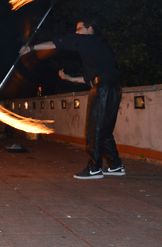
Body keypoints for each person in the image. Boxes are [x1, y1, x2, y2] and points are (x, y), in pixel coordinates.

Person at [19, 19, 125, 179]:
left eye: (79, 29)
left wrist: (31, 48)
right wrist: (70, 78)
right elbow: (95, 77)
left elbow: (57, 43)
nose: (77, 33)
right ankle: (116, 165)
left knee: (95, 128)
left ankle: (94, 168)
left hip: (103, 89)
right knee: (105, 130)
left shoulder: (87, 39)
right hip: (113, 88)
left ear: (90, 29)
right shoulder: (100, 47)